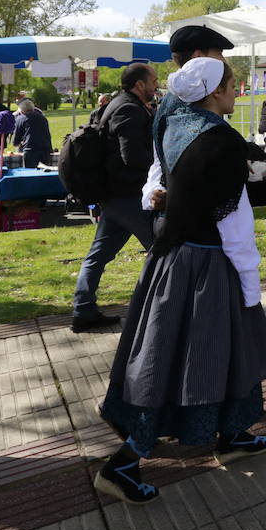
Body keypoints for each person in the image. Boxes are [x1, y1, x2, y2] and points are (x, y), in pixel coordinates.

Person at [96, 58, 266, 505]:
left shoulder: (175, 122)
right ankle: (124, 462)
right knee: (184, 359)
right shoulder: (221, 141)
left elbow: (159, 180)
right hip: (206, 264)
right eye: (234, 85)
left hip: (172, 256)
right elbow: (235, 223)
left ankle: (232, 435)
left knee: (201, 351)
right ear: (216, 92)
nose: (238, 92)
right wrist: (251, 282)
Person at [72, 62, 158, 332]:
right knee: (161, 250)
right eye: (154, 81)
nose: (157, 85)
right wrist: (162, 163)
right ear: (140, 84)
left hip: (115, 196)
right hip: (126, 196)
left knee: (99, 254)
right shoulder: (128, 109)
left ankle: (83, 310)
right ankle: (156, 310)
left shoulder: (122, 104)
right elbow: (131, 157)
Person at [141, 24, 235, 216]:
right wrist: (154, 192)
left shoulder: (207, 100)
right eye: (219, 54)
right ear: (199, 57)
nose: (223, 60)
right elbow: (160, 160)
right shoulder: (172, 107)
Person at [14, 98, 52, 168]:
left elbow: (16, 140)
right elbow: (48, 135)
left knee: (30, 174)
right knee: (44, 173)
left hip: (30, 150)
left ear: (22, 111)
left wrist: (17, 143)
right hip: (45, 149)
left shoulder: (20, 119)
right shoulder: (42, 118)